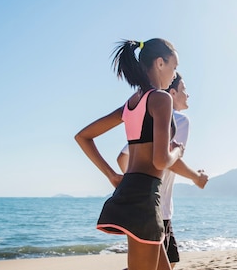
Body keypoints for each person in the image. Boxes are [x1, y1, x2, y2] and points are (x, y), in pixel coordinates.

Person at [75, 38, 185, 270]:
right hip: (145, 196)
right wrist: (176, 151)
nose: (174, 75)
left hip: (131, 191)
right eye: (174, 67)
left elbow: (83, 137)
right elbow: (161, 160)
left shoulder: (131, 104)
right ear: (160, 63)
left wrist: (112, 176)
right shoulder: (161, 99)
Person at [117, 73, 208, 269]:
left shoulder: (149, 118)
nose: (188, 95)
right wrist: (197, 178)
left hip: (143, 203)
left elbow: (122, 158)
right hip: (156, 207)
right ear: (172, 92)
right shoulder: (180, 120)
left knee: (167, 260)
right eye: (184, 90)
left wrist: (134, 181)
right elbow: (168, 160)